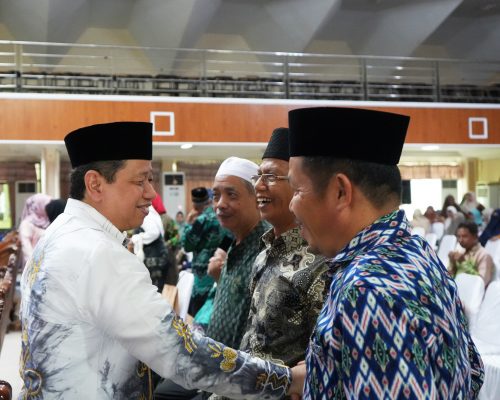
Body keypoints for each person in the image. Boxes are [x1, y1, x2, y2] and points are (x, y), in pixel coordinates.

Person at [20, 121, 303, 399]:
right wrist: (285, 379)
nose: (151, 193)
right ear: (95, 184)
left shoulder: (59, 232)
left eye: (150, 180)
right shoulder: (98, 251)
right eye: (139, 181)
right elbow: (178, 353)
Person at [286, 107, 484, 398]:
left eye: (296, 190)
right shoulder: (417, 252)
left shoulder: (366, 289)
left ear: (341, 191)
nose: (292, 206)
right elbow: (474, 372)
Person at [182, 187, 228, 316]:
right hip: (220, 273)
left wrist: (187, 224)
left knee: (199, 317)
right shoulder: (221, 216)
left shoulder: (201, 220)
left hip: (201, 279)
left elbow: (186, 245)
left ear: (195, 204)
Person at [448, 221, 494, 287]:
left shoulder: (484, 255)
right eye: (458, 236)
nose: (460, 240)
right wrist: (452, 262)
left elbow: (481, 283)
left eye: (464, 236)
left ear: (475, 237)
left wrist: (463, 263)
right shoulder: (461, 252)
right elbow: (451, 278)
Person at [18, 193, 52, 267]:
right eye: (46, 205)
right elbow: (27, 250)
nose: (49, 208)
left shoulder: (46, 221)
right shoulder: (27, 224)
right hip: (35, 268)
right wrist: (35, 267)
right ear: (38, 206)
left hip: (48, 264)